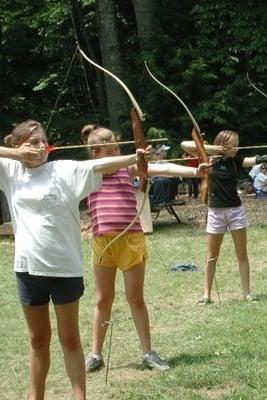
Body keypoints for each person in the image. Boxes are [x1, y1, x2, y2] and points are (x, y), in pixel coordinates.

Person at [0, 120, 148, 400]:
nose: (41, 146)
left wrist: (135, 155)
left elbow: (99, 165)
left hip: (65, 269)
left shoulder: (64, 169)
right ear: (18, 145)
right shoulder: (10, 171)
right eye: (33, 142)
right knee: (37, 339)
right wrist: (16, 155)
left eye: (44, 140)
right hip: (28, 269)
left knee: (69, 339)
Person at [82, 124, 209, 373]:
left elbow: (162, 168)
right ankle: (95, 354)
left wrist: (196, 171)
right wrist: (135, 154)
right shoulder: (89, 172)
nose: (118, 153)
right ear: (95, 152)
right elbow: (99, 166)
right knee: (103, 299)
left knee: (135, 298)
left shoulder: (126, 169)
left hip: (131, 239)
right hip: (103, 242)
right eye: (112, 149)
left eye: (118, 148)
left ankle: (148, 352)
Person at [181, 130, 267, 305]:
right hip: (216, 212)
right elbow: (184, 145)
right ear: (223, 145)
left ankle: (247, 293)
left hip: (236, 211)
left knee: (242, 253)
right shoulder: (207, 159)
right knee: (212, 256)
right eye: (234, 144)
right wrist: (212, 149)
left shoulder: (235, 160)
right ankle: (206, 295)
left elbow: (255, 160)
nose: (238, 147)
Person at [149, 144, 181, 208]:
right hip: (153, 180)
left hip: (160, 177)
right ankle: (157, 201)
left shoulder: (164, 161)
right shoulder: (151, 162)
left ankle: (170, 199)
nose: (166, 152)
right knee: (161, 180)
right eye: (165, 151)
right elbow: (155, 173)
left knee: (174, 179)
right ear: (160, 152)